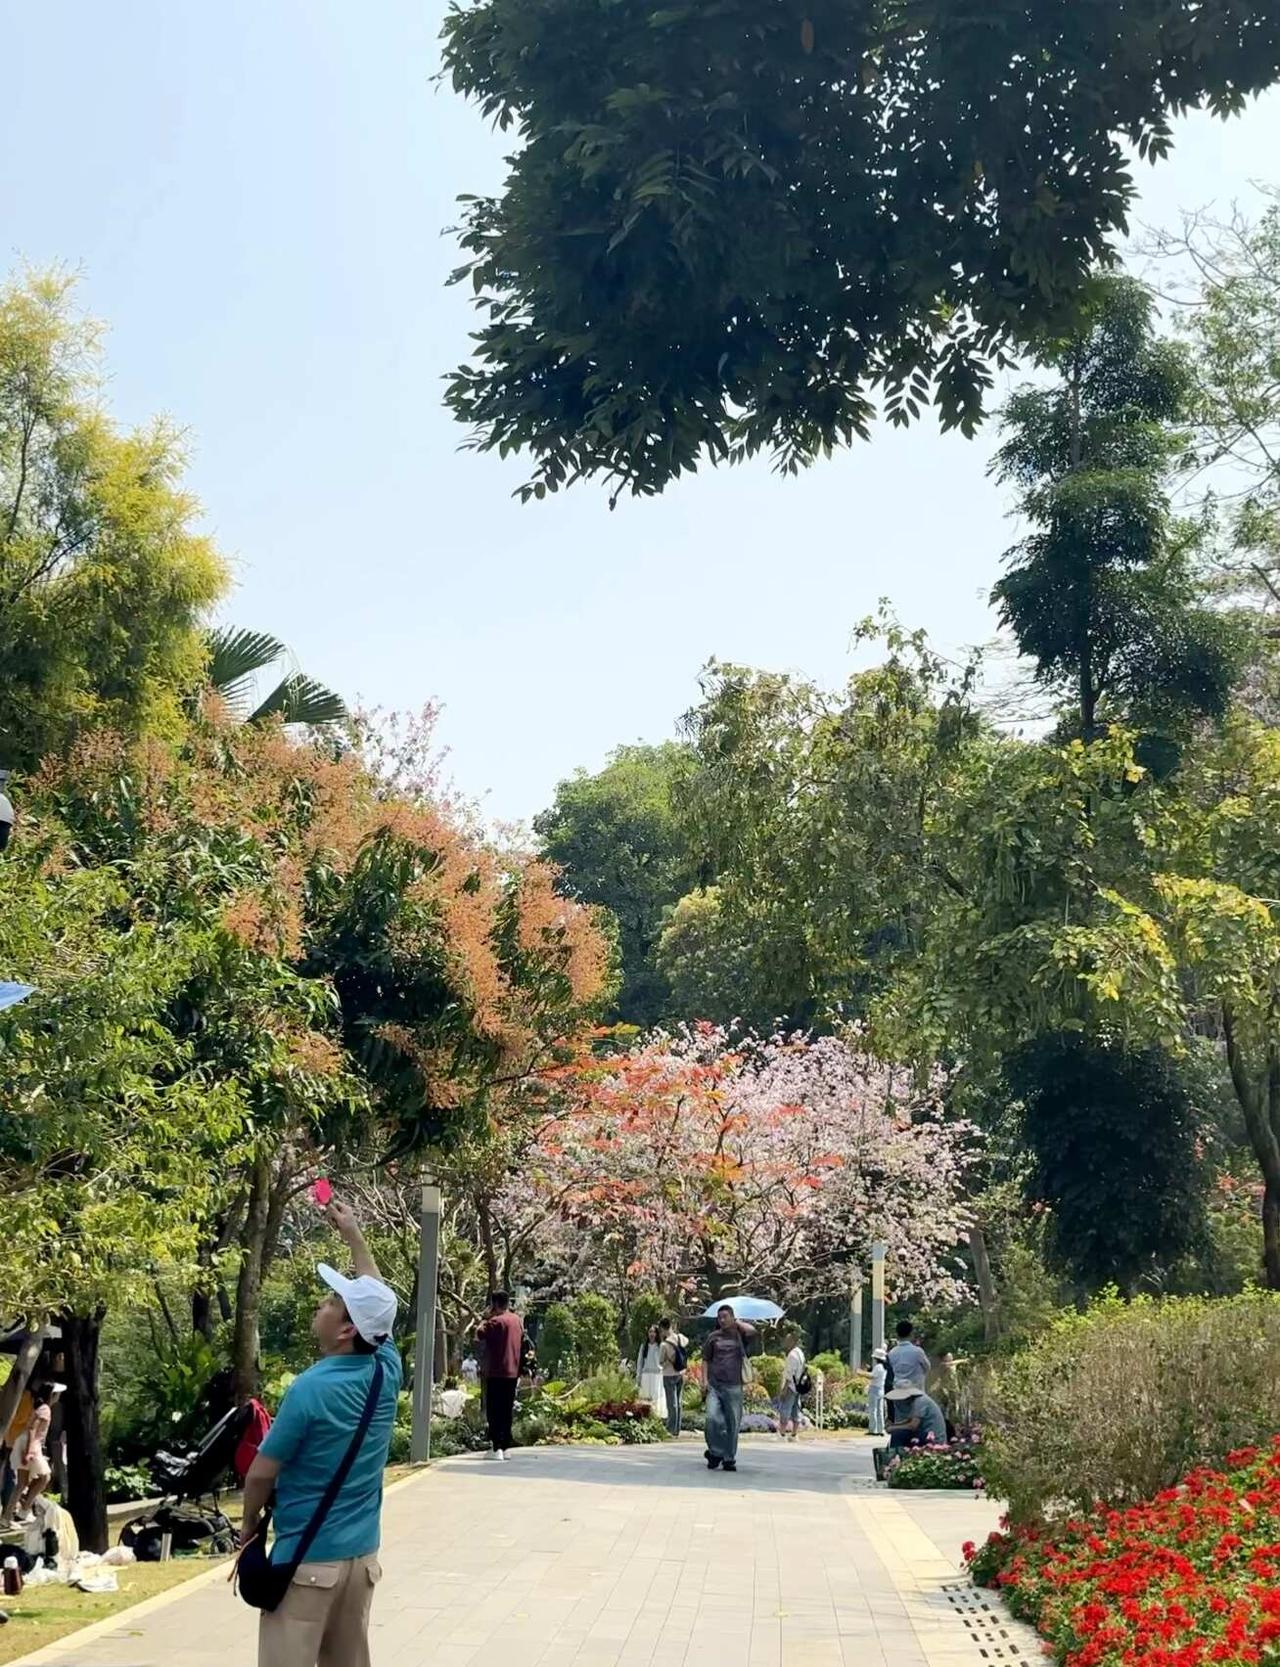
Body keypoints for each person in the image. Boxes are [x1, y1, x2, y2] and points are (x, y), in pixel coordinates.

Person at [240, 1199, 401, 1667]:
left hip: (307, 1566)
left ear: (347, 1329)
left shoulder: (310, 1389)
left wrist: (248, 1529)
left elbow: (260, 1474)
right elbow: (377, 1304)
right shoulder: (385, 1369)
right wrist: (353, 1233)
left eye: (332, 1302)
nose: (322, 1305)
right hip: (362, 1562)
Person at [701, 1306, 756, 1473]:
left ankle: (728, 1458)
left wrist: (737, 1323)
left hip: (734, 1386)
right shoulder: (713, 1337)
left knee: (732, 1423)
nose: (722, 1320)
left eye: (725, 1316)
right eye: (719, 1317)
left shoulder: (740, 1335)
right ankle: (716, 1451)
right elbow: (705, 1359)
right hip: (715, 1386)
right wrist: (704, 1381)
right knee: (712, 1419)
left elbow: (753, 1331)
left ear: (732, 1317)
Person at [0, 1383, 63, 1528]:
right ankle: (25, 1506)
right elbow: (32, 1429)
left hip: (25, 1442)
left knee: (21, 1483)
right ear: (52, 1395)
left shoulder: (39, 1407)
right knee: (45, 1477)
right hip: (31, 1444)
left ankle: (8, 1516)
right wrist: (29, 1451)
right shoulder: (45, 1409)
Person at [475, 1292, 523, 1460]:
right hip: (513, 1371)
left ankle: (496, 1447)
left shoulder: (495, 1322)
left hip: (496, 1372)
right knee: (506, 1409)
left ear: (494, 1304)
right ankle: (505, 1445)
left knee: (494, 1410)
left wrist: (484, 1319)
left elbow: (479, 1334)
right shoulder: (517, 1320)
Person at [885, 1383, 948, 1449]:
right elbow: (909, 1420)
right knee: (899, 1433)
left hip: (933, 1438)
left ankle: (896, 1452)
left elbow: (913, 1426)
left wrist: (893, 1428)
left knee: (898, 1434)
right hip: (924, 1434)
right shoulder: (914, 1402)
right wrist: (894, 1425)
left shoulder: (920, 1401)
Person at [658, 1318, 688, 1438]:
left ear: (662, 1328)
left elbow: (660, 1361)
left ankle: (670, 1429)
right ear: (671, 1326)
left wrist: (668, 1360)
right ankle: (677, 1429)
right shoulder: (681, 1338)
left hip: (669, 1374)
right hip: (680, 1373)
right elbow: (686, 1343)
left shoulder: (664, 1345)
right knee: (679, 1402)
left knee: (672, 1403)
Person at [887, 1319, 930, 1392]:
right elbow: (927, 1367)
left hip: (898, 1392)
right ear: (911, 1334)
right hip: (916, 1392)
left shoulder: (892, 1353)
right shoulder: (918, 1351)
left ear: (897, 1335)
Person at [778, 1333, 807, 1441]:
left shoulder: (792, 1355)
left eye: (787, 1340)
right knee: (796, 1409)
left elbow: (790, 1374)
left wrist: (784, 1389)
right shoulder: (800, 1353)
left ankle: (782, 1434)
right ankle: (794, 1434)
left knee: (785, 1409)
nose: (785, 1342)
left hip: (791, 1386)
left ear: (792, 1341)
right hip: (798, 1386)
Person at [635, 1325, 665, 1417]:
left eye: (654, 1332)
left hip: (657, 1375)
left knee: (656, 1397)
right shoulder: (644, 1346)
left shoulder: (660, 1346)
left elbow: (664, 1361)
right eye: (650, 1332)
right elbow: (640, 1362)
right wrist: (638, 1376)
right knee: (645, 1397)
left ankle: (656, 1416)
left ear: (657, 1334)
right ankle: (645, 1416)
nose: (652, 1334)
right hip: (646, 1374)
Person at [867, 1349, 887, 1437]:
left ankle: (873, 1430)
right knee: (880, 1410)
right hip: (881, 1389)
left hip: (874, 1389)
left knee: (873, 1410)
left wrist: (862, 1373)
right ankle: (881, 1429)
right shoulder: (884, 1367)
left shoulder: (878, 1367)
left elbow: (872, 1376)